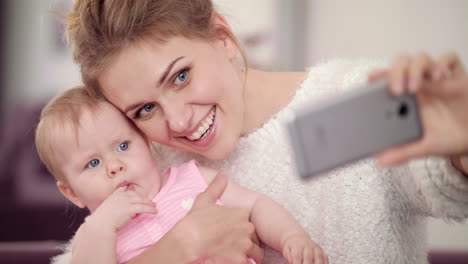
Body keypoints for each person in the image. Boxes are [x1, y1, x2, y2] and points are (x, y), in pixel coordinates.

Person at [56, 0, 468, 263]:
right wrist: (171, 252)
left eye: (180, 76)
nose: (178, 123)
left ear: (222, 38)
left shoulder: (350, 96)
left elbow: (440, 182)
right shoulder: (147, 165)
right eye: (145, 109)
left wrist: (462, 142)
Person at [35, 87, 328, 264]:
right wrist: (102, 227)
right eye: (93, 163)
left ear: (147, 143)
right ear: (72, 192)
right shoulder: (95, 237)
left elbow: (256, 205)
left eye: (123, 146)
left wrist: (290, 236)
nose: (115, 166)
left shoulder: (193, 179)